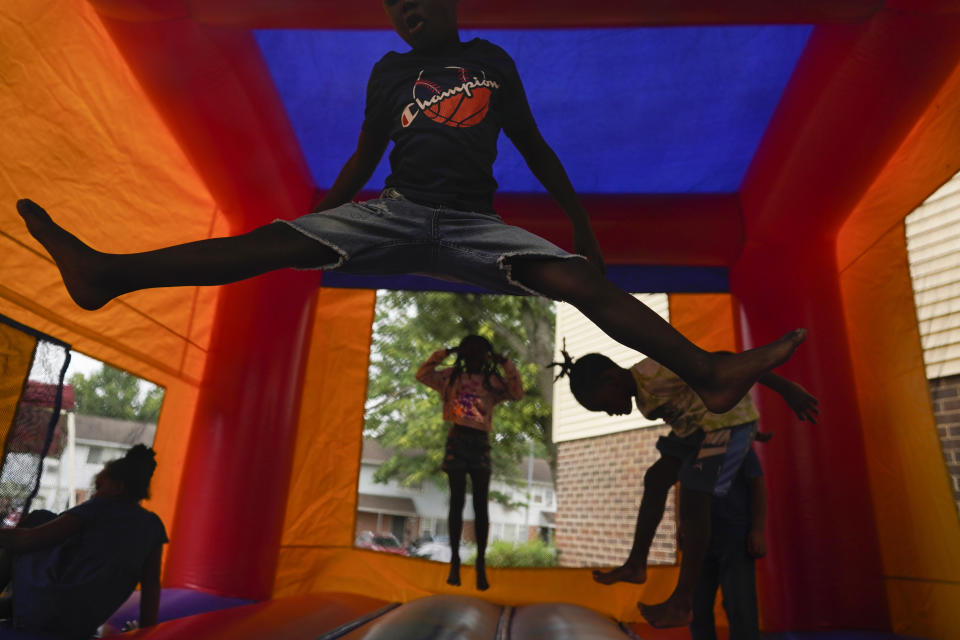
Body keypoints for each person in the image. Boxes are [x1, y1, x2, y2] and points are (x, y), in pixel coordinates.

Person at [15, 0, 805, 419]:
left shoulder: (491, 62)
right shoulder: (390, 73)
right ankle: (107, 275)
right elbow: (361, 157)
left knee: (580, 285)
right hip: (394, 210)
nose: (404, 11)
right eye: (393, 4)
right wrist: (313, 226)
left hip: (473, 225)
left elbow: (534, 146)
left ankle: (706, 372)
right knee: (263, 244)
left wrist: (584, 230)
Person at [552, 348, 817, 628]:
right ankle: (636, 563)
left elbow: (726, 359)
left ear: (611, 380)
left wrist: (785, 389)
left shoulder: (658, 370)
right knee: (655, 478)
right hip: (697, 431)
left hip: (723, 426)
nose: (609, 413)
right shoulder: (643, 397)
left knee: (694, 487)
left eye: (604, 405)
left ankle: (682, 601)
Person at [0, 445, 167, 638]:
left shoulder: (98, 508)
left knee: (38, 518)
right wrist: (147, 631)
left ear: (118, 488)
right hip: (82, 621)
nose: (94, 494)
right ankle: (14, 606)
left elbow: (29, 540)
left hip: (49, 610)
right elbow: (151, 586)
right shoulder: (153, 526)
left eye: (99, 486)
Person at [416, 334, 523, 590]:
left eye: (480, 353)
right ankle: (454, 560)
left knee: (480, 504)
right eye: (470, 352)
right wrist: (447, 351)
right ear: (463, 355)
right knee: (457, 502)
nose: (475, 357)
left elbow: (517, 393)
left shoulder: (491, 381)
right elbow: (422, 373)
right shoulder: (451, 377)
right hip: (458, 440)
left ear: (487, 356)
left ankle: (480, 564)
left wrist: (504, 363)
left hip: (479, 443)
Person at [689, 443, 767, 640]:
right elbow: (685, 487)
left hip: (735, 538)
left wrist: (757, 529)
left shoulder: (739, 447)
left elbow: (757, 485)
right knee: (697, 606)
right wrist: (682, 523)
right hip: (700, 540)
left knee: (740, 606)